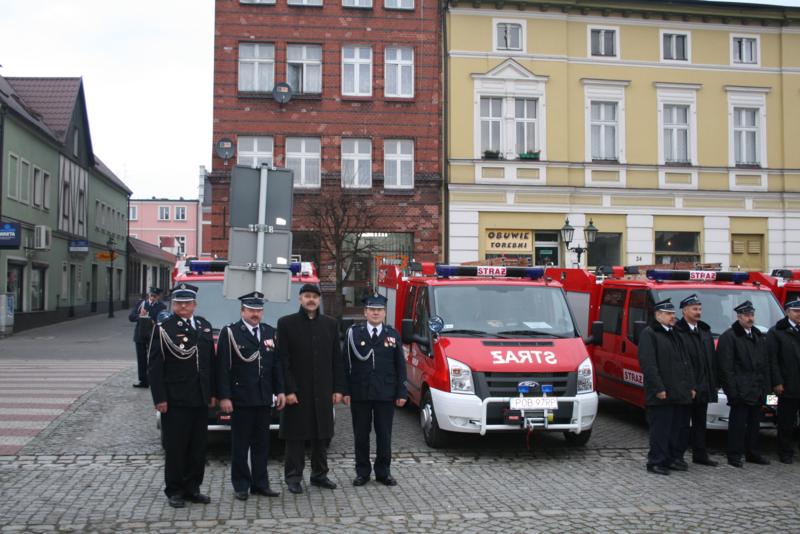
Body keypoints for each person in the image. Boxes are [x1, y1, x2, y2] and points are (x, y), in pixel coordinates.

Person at [148, 283, 216, 508]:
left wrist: (212, 392)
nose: (183, 307)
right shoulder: (164, 328)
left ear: (195, 304)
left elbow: (210, 363)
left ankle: (193, 488)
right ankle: (175, 490)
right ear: (173, 304)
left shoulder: (204, 326)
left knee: (198, 448)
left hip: (200, 397)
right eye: (179, 303)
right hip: (175, 398)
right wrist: (160, 398)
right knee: (176, 447)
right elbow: (155, 366)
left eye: (187, 303)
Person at [277, 283, 347, 494]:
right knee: (295, 437)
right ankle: (293, 477)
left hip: (323, 390)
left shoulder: (330, 324)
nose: (311, 300)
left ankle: (319, 475)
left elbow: (336, 359)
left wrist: (338, 388)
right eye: (307, 296)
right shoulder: (286, 323)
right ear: (300, 299)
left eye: (315, 297)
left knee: (321, 435)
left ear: (319, 300)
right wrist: (289, 390)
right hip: (297, 391)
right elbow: (283, 360)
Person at [217, 291, 286, 501]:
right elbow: (222, 368)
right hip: (241, 398)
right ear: (242, 311)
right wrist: (225, 396)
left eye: (259, 310)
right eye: (251, 310)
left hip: (264, 397)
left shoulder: (269, 332)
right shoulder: (230, 333)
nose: (255, 314)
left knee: (262, 445)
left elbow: (276, 365)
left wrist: (280, 391)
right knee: (240, 445)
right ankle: (241, 485)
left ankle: (260, 484)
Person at [344, 293, 407, 487]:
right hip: (360, 392)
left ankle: (383, 472)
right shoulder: (354, 333)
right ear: (365, 312)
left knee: (384, 435)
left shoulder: (392, 334)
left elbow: (400, 366)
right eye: (372, 309)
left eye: (379, 310)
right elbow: (345, 363)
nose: (375, 313)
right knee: (361, 435)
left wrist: (401, 392)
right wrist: (345, 391)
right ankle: (362, 472)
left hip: (385, 392)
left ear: (384, 313)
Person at [637, 298, 695, 476]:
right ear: (658, 315)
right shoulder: (650, 334)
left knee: (675, 429)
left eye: (673, 314)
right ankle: (656, 461)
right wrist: (658, 388)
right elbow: (649, 364)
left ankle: (671, 459)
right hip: (661, 393)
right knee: (660, 430)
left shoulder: (675, 333)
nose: (672, 317)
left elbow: (685, 362)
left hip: (678, 391)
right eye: (669, 314)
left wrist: (690, 385)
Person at [717, 300, 771, 468]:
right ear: (739, 317)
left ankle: (752, 453)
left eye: (752, 315)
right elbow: (725, 368)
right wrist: (732, 392)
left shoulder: (757, 336)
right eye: (747, 315)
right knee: (737, 425)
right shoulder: (729, 337)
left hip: (757, 389)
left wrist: (766, 391)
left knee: (755, 425)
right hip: (740, 390)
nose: (750, 318)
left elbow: (765, 365)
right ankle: (734, 455)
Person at [674, 294, 719, 467]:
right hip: (688, 386)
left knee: (700, 423)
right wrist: (687, 384)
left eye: (699, 309)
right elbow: (680, 362)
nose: (698, 312)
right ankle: (678, 456)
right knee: (682, 424)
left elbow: (710, 360)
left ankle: (700, 454)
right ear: (685, 311)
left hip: (703, 384)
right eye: (694, 309)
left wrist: (713, 382)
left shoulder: (704, 331)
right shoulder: (678, 332)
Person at [767, 298, 800, 464]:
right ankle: (785, 451)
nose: (799, 314)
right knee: (786, 421)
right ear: (787, 312)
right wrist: (777, 382)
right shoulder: (777, 331)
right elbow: (772, 359)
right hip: (788, 383)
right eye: (796, 311)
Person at [128, 287, 166, 388]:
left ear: (158, 297)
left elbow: (163, 320)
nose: (152, 298)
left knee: (153, 359)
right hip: (140, 335)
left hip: (153, 335)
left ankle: (153, 380)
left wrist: (153, 321)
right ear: (149, 295)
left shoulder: (162, 306)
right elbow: (131, 317)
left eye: (155, 296)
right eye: (151, 295)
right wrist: (140, 316)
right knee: (141, 359)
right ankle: (143, 381)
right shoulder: (141, 304)